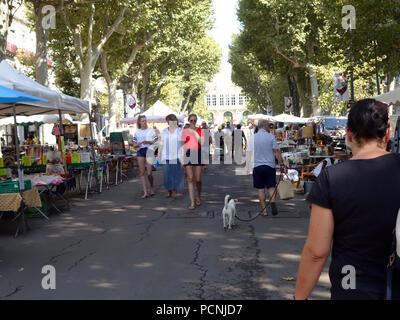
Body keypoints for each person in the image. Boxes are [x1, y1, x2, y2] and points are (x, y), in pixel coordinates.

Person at [294, 99, 400, 300]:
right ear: (387, 133)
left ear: (348, 135)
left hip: (351, 287)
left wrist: (299, 297)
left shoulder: (332, 178)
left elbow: (317, 251)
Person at [245, 119, 284, 217]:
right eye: (269, 126)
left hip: (257, 166)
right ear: (265, 126)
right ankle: (273, 203)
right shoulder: (271, 137)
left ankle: (264, 210)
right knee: (271, 187)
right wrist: (281, 163)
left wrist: (247, 166)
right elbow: (276, 152)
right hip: (270, 166)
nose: (269, 127)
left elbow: (248, 152)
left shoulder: (253, 138)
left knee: (260, 189)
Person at [158, 114, 184, 198]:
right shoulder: (164, 131)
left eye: (170, 120)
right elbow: (161, 143)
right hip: (166, 156)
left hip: (176, 155)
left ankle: (175, 190)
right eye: (167, 121)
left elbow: (182, 145)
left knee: (175, 174)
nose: (168, 122)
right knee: (166, 174)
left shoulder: (180, 131)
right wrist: (159, 153)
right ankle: (169, 190)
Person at [181, 114, 204, 210]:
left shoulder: (201, 130)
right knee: (190, 178)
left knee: (198, 180)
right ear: (188, 121)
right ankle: (192, 202)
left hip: (198, 153)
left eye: (195, 120)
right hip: (188, 153)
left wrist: (195, 133)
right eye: (191, 120)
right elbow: (182, 146)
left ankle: (198, 195)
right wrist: (182, 160)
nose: (193, 122)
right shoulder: (184, 131)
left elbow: (202, 143)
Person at [133, 115, 158, 198]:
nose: (144, 122)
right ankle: (145, 192)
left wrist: (148, 142)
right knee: (142, 172)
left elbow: (156, 141)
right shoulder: (137, 132)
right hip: (140, 151)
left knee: (149, 173)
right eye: (142, 121)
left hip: (149, 150)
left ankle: (151, 186)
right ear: (139, 122)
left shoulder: (151, 130)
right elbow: (134, 145)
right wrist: (138, 144)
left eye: (145, 121)